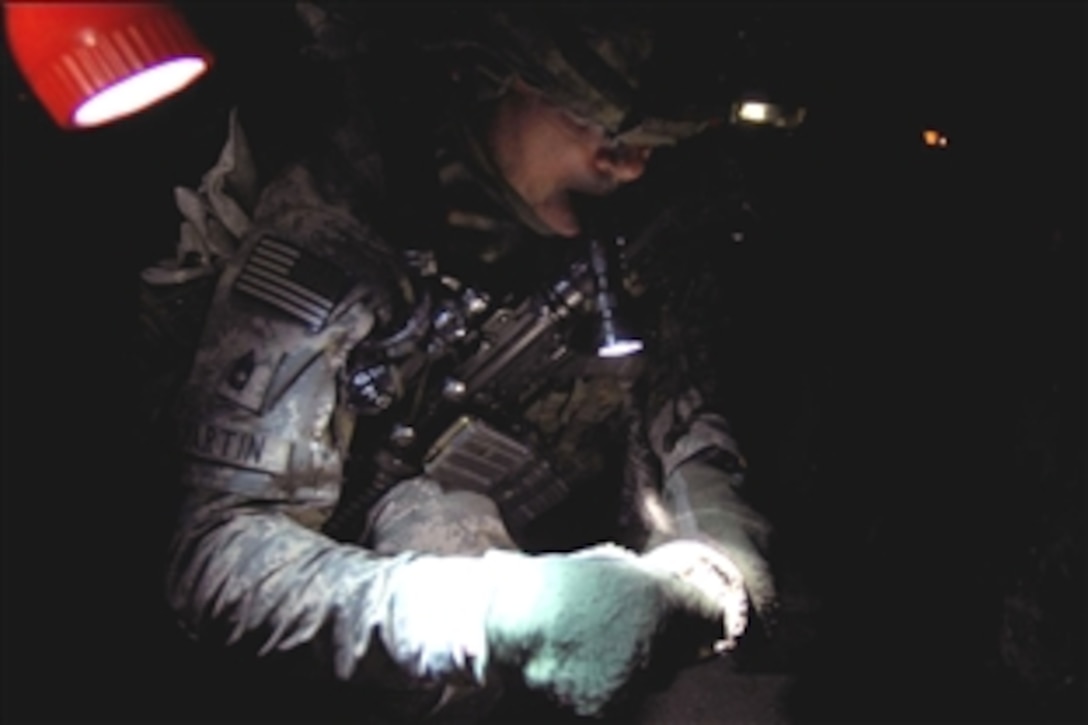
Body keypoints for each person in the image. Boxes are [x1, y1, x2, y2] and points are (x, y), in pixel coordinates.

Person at [147, 4, 780, 721]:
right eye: (596, 125)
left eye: (652, 141)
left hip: (568, 593)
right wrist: (495, 613)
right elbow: (215, 553)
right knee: (438, 522)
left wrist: (718, 569)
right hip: (355, 658)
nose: (629, 165)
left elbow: (685, 418)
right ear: (493, 80)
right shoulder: (345, 225)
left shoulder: (642, 232)